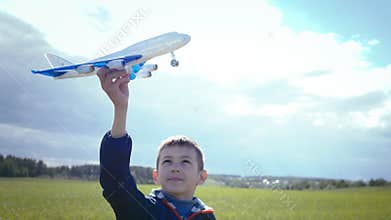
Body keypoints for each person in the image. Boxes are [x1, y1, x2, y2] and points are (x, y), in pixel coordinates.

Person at [97, 67, 216, 220]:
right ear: (156, 175)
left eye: (185, 161)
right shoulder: (142, 209)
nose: (175, 168)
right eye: (167, 161)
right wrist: (121, 107)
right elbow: (115, 178)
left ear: (202, 176)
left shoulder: (207, 217)